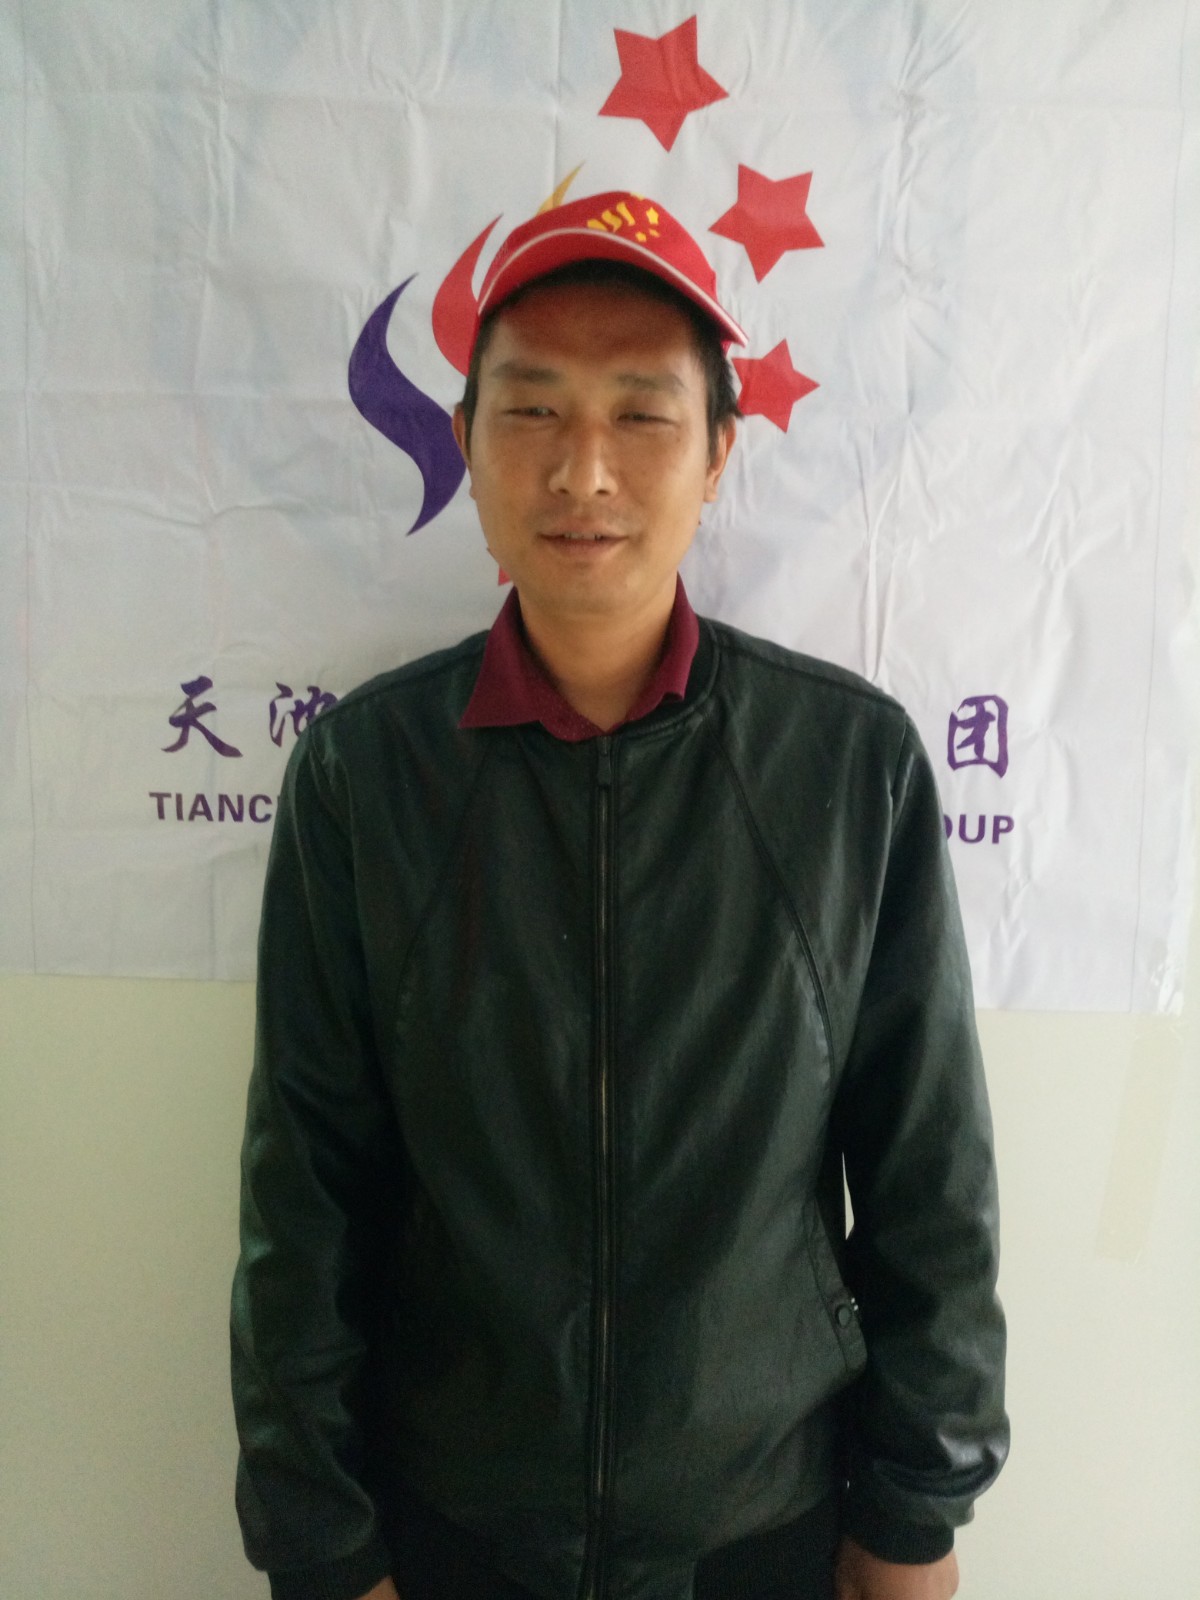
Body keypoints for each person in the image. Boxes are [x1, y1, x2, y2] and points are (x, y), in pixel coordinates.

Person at [231, 190, 1008, 1600]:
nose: (582, 469)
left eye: (642, 414)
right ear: (464, 444)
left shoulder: (849, 768)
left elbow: (927, 1178)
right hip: (450, 1530)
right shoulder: (366, 776)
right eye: (531, 410)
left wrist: (915, 1512)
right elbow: (306, 1195)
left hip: (761, 1526)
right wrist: (320, 1544)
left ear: (717, 454)